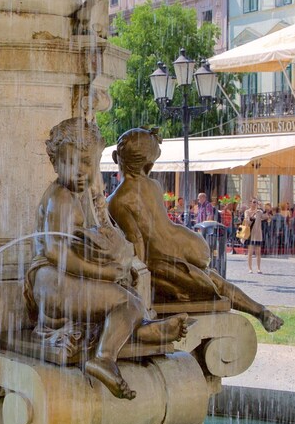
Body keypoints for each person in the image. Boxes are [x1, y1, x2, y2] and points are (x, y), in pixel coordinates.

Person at [25, 119, 189, 400]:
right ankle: (103, 357)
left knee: (124, 303)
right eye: (72, 163)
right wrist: (104, 273)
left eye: (88, 164)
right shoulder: (61, 197)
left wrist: (121, 263)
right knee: (125, 302)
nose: (80, 172)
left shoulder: (80, 196)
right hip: (51, 283)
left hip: (61, 281)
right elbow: (56, 253)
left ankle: (146, 331)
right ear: (55, 164)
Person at [107, 127, 283, 330]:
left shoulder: (116, 200)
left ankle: (259, 311)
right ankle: (260, 311)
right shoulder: (153, 185)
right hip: (187, 243)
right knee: (214, 278)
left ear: (115, 157)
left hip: (163, 258)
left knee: (212, 283)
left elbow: (137, 241)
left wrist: (134, 278)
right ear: (149, 163)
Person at [242, 199, 268, 274]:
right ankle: (250, 268)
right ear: (250, 203)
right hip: (250, 234)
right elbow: (246, 221)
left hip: (258, 234)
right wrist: (251, 216)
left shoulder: (259, 212)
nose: (254, 204)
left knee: (258, 252)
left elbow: (266, 217)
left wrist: (262, 207)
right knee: (250, 252)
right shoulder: (247, 212)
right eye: (253, 202)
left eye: (255, 202)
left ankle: (258, 268)